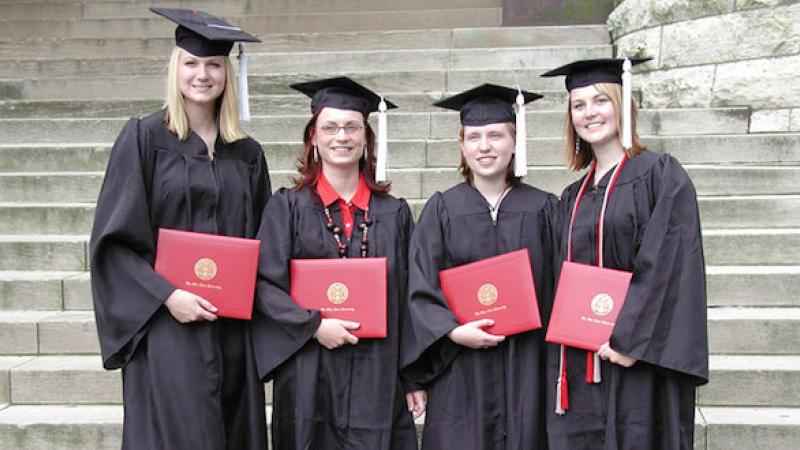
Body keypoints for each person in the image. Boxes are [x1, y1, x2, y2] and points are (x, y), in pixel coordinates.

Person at [90, 8, 269, 449]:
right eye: (191, 63)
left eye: (212, 64)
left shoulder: (247, 154)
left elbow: (265, 244)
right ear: (176, 69)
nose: (202, 75)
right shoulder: (143, 138)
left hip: (232, 329)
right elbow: (113, 243)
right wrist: (169, 296)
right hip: (166, 326)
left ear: (227, 73)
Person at [540, 58, 709, 449]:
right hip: (580, 361)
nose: (589, 113)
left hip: (638, 360)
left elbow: (670, 262)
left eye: (601, 100)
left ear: (622, 103)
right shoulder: (571, 197)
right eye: (578, 105)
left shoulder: (660, 176)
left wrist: (631, 341)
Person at [250, 77, 418, 450]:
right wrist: (313, 326)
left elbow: (410, 296)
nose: (341, 136)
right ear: (313, 137)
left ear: (366, 138)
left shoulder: (395, 213)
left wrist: (413, 377)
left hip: (378, 370)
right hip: (309, 368)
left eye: (351, 127)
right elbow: (263, 284)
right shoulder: (286, 208)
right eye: (329, 127)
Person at [400, 84, 558, 449]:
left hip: (527, 365)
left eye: (495, 135)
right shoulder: (441, 210)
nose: (484, 146)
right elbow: (420, 287)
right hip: (460, 367)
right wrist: (452, 331)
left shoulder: (545, 209)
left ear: (515, 142)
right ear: (462, 146)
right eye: (474, 137)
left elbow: (557, 286)